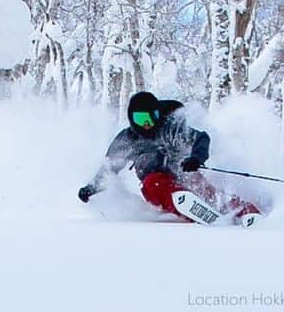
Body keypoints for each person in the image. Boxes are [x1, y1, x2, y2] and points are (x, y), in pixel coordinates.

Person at [78, 90, 260, 223]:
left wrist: (196, 158)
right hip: (156, 183)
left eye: (152, 117)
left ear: (159, 114)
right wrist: (91, 188)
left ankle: (245, 212)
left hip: (183, 173)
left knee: (208, 193)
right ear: (133, 119)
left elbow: (201, 138)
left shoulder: (171, 128)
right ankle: (190, 210)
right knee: (153, 185)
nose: (148, 124)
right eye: (142, 119)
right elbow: (109, 168)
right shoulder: (128, 140)